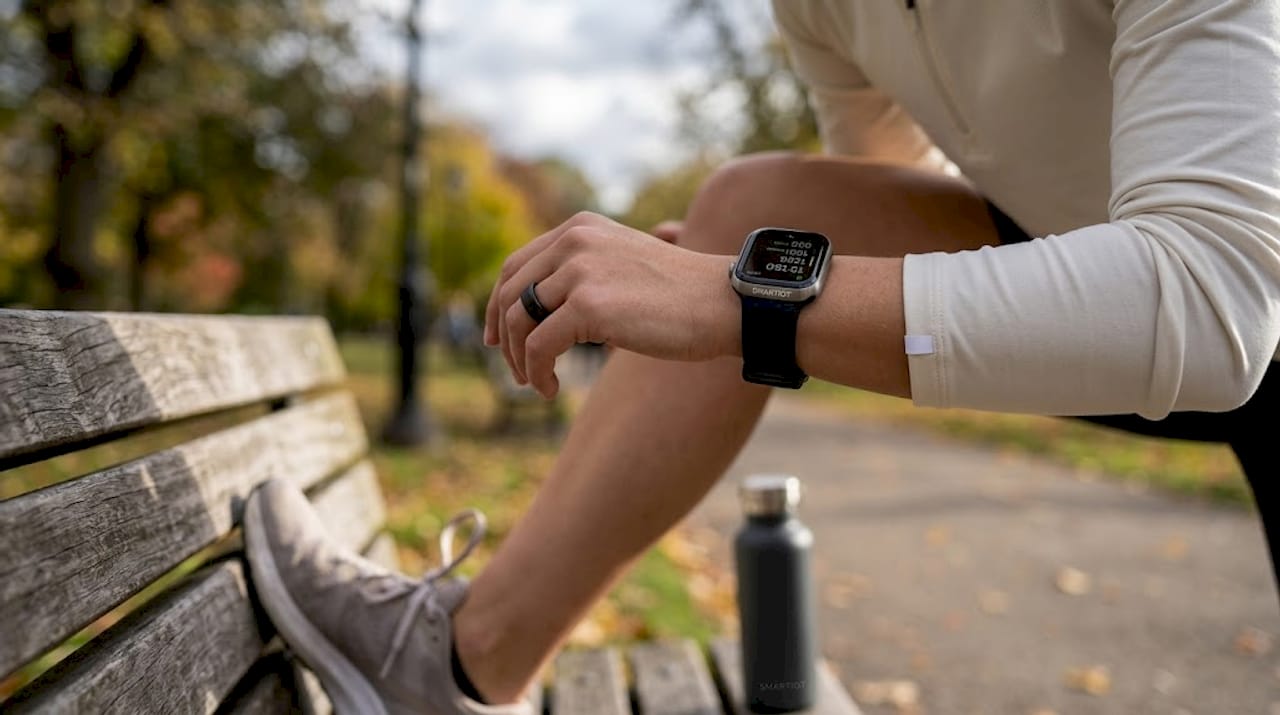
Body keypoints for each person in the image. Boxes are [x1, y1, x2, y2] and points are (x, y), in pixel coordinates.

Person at [242, 1, 1280, 712]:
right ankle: (462, 657)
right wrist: (709, 265)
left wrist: (734, 292)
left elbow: (1210, 299)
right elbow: (869, 224)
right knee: (754, 212)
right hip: (1083, 266)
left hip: (1229, 276)